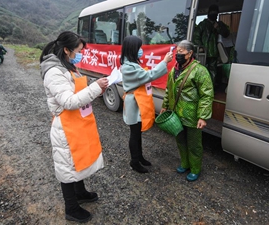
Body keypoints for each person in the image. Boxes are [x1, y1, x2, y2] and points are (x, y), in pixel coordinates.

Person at [39, 31, 109, 223]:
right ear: (66, 50)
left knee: (78, 158)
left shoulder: (67, 65)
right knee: (67, 166)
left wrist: (96, 90)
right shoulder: (54, 72)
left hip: (77, 121)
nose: (80, 54)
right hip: (66, 126)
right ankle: (71, 208)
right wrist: (95, 88)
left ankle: (80, 192)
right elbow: (68, 101)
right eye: (78, 51)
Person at [160, 40, 214, 181]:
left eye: (181, 52)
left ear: (190, 54)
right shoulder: (174, 69)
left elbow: (206, 95)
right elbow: (169, 90)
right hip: (177, 113)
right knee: (180, 141)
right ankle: (185, 163)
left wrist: (203, 116)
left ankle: (195, 169)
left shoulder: (200, 71)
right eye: (177, 51)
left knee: (194, 144)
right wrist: (165, 105)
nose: (178, 54)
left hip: (192, 115)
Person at [120, 35, 173, 173]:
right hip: (133, 102)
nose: (141, 50)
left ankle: (140, 157)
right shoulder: (127, 67)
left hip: (138, 100)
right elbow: (148, 76)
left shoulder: (132, 63)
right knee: (135, 133)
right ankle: (134, 161)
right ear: (132, 49)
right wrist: (164, 62)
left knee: (138, 132)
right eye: (139, 47)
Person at [193, 4, 230, 85]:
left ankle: (210, 87)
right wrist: (201, 47)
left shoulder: (219, 24)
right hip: (203, 52)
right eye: (212, 12)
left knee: (213, 71)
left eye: (216, 12)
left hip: (214, 52)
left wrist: (218, 28)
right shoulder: (203, 24)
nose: (214, 14)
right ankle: (201, 86)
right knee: (201, 70)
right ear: (208, 13)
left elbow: (226, 34)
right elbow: (196, 36)